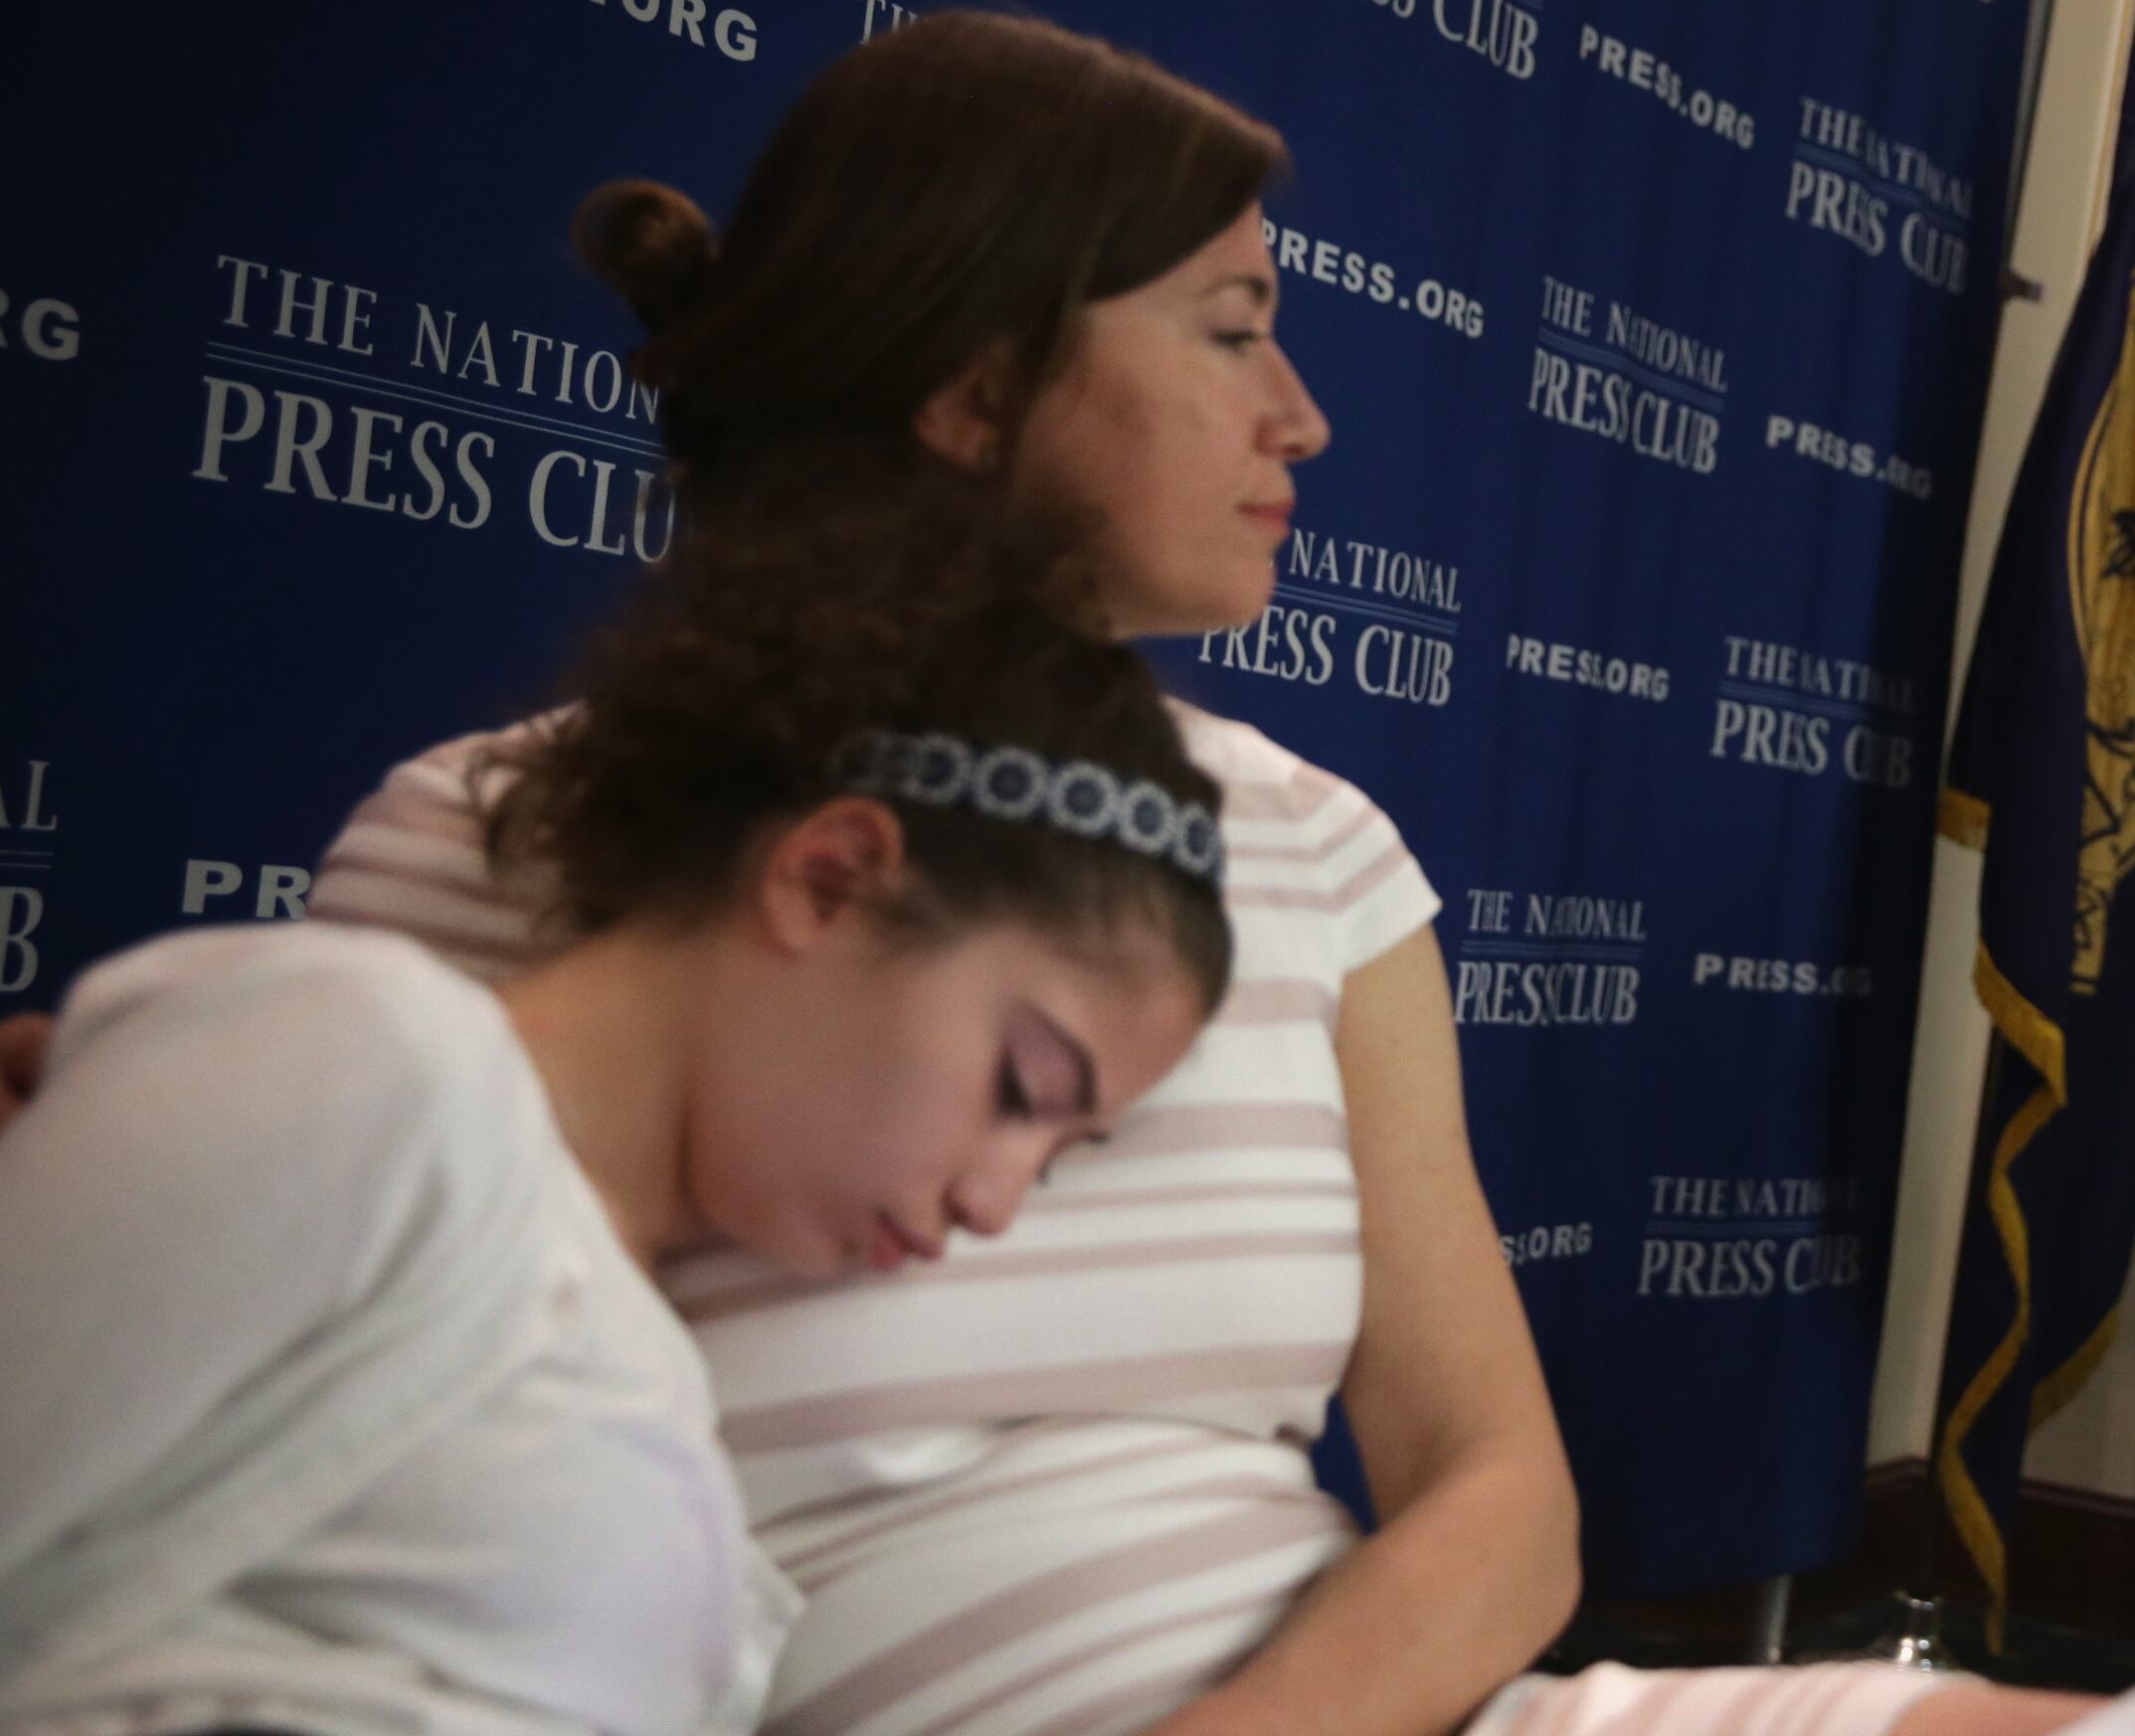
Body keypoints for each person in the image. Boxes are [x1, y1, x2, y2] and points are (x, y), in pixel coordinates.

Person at [0, 12, 2083, 1736]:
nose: (1306, 418)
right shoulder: (494, 844)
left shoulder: (1315, 844)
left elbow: (1497, 1499)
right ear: (976, 381)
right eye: (1230, 329)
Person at [0, 496, 1228, 1731]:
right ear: (831, 878)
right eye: (1019, 1091)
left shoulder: (646, 1363)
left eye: (1062, 1158)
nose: (995, 1204)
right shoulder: (383, 1069)